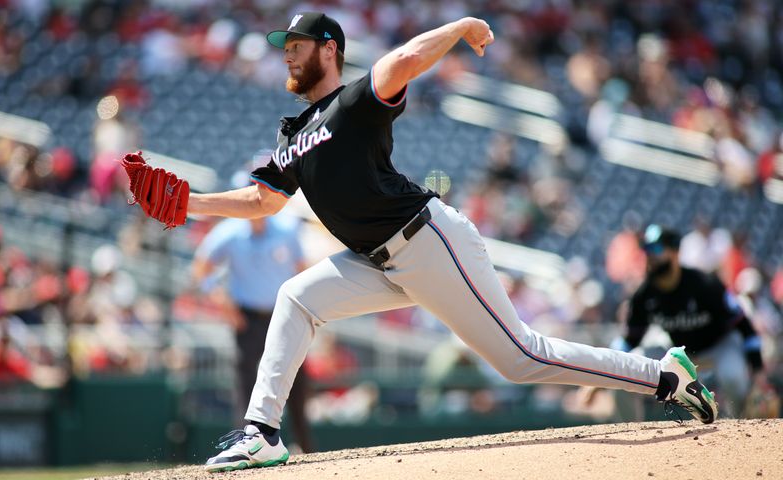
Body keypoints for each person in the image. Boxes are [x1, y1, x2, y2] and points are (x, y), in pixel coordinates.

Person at [147, 13, 716, 472]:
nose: (287, 52)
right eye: (284, 44)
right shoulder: (293, 135)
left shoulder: (351, 105)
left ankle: (664, 375)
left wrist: (461, 24)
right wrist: (189, 202)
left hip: (428, 240)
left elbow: (403, 60)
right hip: (376, 260)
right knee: (297, 297)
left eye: (296, 43)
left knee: (520, 359)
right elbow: (263, 201)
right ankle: (263, 433)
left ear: (329, 49)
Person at [192, 212, 314, 453]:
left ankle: (304, 444)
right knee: (245, 384)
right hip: (247, 318)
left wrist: (306, 309)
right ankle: (245, 447)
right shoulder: (229, 231)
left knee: (296, 379)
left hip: (284, 314)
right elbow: (201, 267)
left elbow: (302, 269)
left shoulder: (287, 228)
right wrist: (221, 300)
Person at [615, 225, 766, 418]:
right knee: (624, 371)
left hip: (719, 346)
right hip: (677, 352)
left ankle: (743, 429)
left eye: (657, 249)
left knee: (733, 377)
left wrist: (759, 371)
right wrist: (607, 370)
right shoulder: (644, 294)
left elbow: (744, 326)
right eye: (647, 249)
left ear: (676, 252)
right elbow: (629, 341)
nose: (650, 255)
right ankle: (632, 439)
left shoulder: (705, 284)